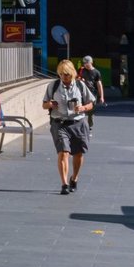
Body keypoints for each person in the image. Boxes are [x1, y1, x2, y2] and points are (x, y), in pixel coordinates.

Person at [43, 59, 94, 194]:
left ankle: (74, 178)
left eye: (67, 74)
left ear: (72, 73)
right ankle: (64, 184)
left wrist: (83, 107)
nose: (64, 77)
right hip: (59, 123)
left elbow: (91, 104)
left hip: (78, 123)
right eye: (61, 74)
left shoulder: (80, 85)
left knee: (78, 154)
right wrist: (50, 104)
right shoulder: (53, 86)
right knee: (63, 153)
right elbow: (44, 104)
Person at [78, 55, 106, 129]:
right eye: (84, 63)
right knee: (81, 109)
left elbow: (99, 85)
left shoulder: (96, 72)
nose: (85, 65)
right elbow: (76, 79)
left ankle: (89, 126)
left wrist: (102, 97)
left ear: (91, 62)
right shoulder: (81, 70)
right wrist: (80, 80)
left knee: (91, 111)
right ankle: (81, 125)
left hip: (92, 94)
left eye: (87, 63)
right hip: (82, 93)